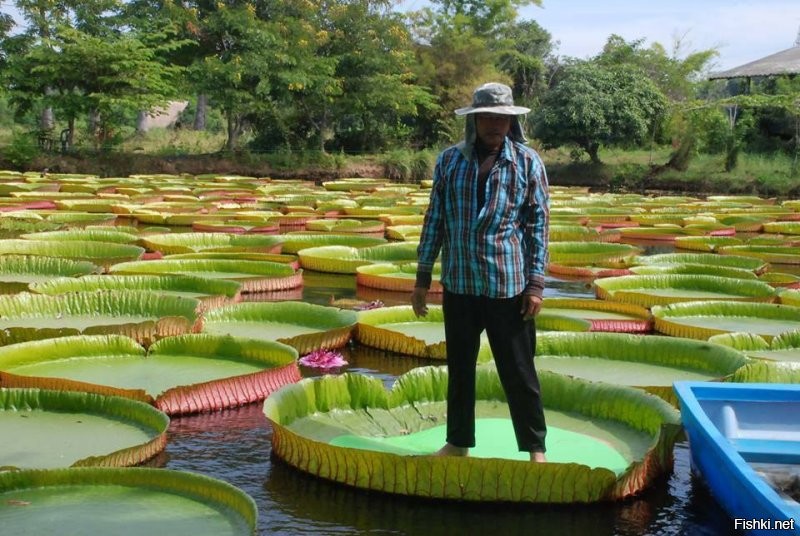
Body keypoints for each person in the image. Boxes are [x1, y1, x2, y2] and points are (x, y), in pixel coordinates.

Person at [411, 82, 550, 463]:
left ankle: (535, 449)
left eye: (502, 118)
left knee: (519, 372)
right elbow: (435, 218)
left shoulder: (527, 162)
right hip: (459, 283)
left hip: (508, 285)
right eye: (487, 116)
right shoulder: (449, 161)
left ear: (511, 121)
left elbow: (538, 225)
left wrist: (536, 284)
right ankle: (458, 443)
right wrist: (422, 279)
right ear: (474, 120)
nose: (495, 124)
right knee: (460, 370)